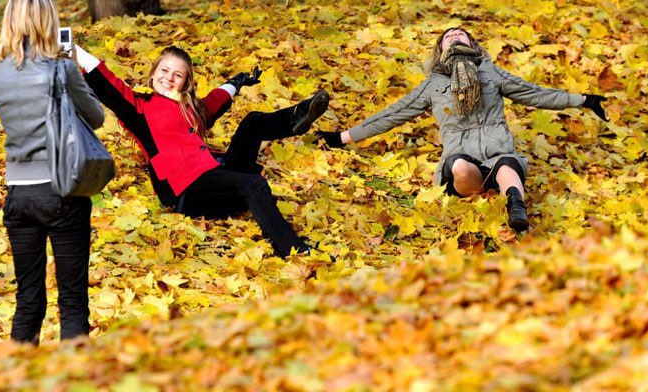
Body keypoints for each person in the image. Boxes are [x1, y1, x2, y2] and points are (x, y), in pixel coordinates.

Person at [317, 27, 608, 233]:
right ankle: (485, 193)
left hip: (497, 154)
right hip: (461, 160)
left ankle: (515, 206)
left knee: (507, 162)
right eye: (449, 35)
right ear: (440, 48)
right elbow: (395, 113)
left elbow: (533, 92)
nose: (455, 35)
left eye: (461, 33)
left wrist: (583, 100)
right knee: (459, 166)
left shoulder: (490, 73)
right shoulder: (434, 83)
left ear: (472, 42)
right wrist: (344, 137)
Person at [73, 44, 329, 257]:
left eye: (177, 75)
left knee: (252, 122)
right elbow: (108, 84)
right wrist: (71, 49)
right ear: (152, 74)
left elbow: (215, 102)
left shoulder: (190, 110)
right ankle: (293, 250)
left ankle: (298, 116)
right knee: (255, 184)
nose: (168, 78)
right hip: (187, 191)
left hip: (214, 177)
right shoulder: (139, 107)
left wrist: (236, 82)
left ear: (185, 83)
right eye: (164, 70)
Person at [0, 0, 104, 344]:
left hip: (18, 195)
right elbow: (96, 117)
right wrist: (72, 70)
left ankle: (17, 377)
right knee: (72, 302)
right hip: (61, 189)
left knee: (27, 301)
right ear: (47, 23)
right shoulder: (62, 69)